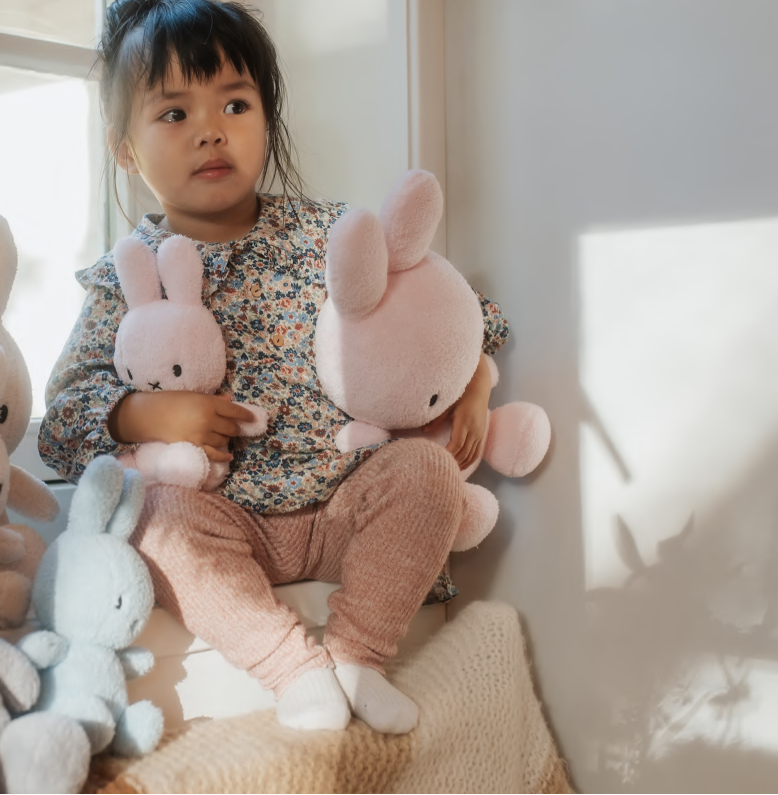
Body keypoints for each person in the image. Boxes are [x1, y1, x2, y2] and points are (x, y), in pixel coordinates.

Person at [39, 0, 510, 734]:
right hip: (223, 528)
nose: (211, 130)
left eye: (235, 104)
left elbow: (456, 316)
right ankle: (294, 669)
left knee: (425, 473)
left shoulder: (329, 234)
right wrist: (143, 413)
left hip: (345, 501)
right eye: (174, 113)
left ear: (268, 119)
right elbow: (60, 424)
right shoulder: (122, 277)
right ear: (124, 148)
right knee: (152, 519)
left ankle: (359, 654)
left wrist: (473, 379)